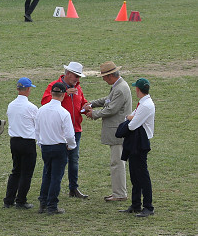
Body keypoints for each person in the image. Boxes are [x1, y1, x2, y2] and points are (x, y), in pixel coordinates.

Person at [84, 61, 133, 202]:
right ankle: (118, 192)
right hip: (117, 130)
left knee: (117, 163)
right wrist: (92, 103)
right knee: (116, 163)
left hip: (117, 131)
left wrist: (93, 114)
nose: (104, 79)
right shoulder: (118, 86)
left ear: (111, 75)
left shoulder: (120, 89)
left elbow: (111, 109)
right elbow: (108, 100)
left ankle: (119, 193)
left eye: (104, 77)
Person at [42, 62, 89, 198]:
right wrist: (65, 94)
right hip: (59, 132)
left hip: (75, 130)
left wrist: (86, 108)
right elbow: (45, 103)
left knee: (74, 160)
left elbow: (82, 102)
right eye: (76, 76)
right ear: (68, 74)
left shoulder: (78, 88)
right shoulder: (54, 86)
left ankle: (73, 188)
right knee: (58, 162)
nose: (77, 80)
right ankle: (52, 189)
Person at [35, 82, 76, 214]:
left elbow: (37, 130)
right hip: (59, 147)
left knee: (47, 174)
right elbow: (70, 134)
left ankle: (43, 202)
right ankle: (52, 205)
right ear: (63, 95)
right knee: (56, 177)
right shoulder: (63, 113)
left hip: (45, 146)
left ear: (52, 94)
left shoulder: (41, 110)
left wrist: (40, 143)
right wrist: (71, 145)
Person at [120, 78, 155, 218]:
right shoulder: (144, 103)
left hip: (140, 142)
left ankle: (148, 206)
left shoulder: (145, 105)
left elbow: (131, 125)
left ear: (138, 90)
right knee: (135, 174)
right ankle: (136, 204)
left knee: (142, 175)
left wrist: (129, 118)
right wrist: (131, 118)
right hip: (138, 141)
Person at [3, 77, 39, 209]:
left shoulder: (11, 105)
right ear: (28, 89)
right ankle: (21, 200)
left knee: (16, 171)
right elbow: (38, 125)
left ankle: (8, 199)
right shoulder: (32, 107)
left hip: (14, 141)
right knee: (26, 173)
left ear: (18, 89)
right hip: (27, 142)